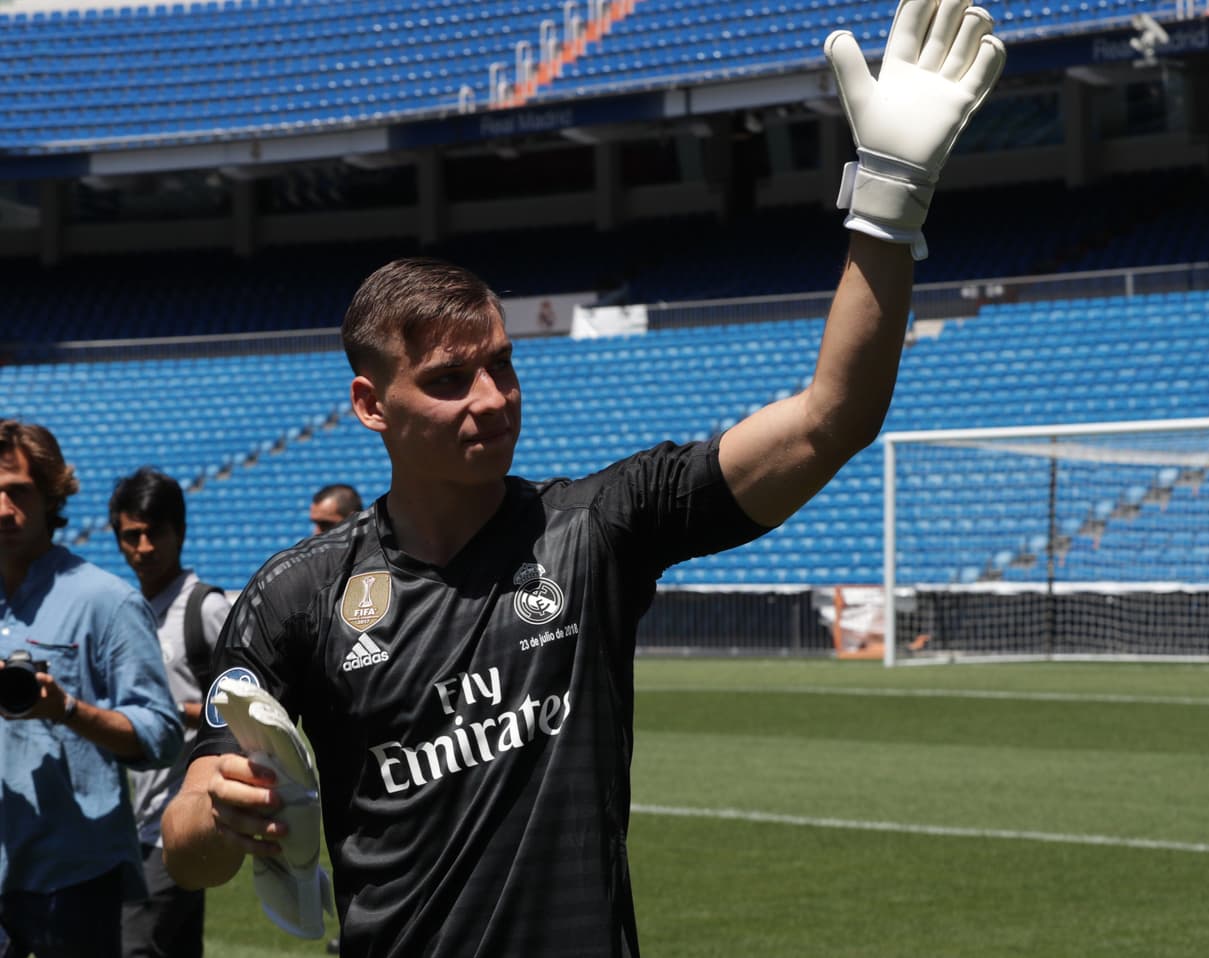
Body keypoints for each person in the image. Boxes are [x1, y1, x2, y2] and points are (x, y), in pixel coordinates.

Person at [161, 3, 1005, 955]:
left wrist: (889, 201)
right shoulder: (297, 595)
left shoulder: (597, 527)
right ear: (369, 403)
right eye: (447, 381)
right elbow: (189, 849)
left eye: (502, 366)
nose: (491, 400)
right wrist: (215, 808)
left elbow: (830, 420)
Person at [0, 421, 184, 958]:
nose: (3, 508)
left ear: (51, 493)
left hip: (71, 879)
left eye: (18, 490)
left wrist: (67, 710)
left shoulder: (106, 601)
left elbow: (162, 734)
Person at [109, 468, 233, 958]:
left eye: (153, 532)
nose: (142, 548)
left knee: (132, 946)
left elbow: (253, 704)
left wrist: (179, 713)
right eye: (130, 536)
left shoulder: (205, 609)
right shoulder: (128, 611)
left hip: (185, 816)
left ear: (178, 532)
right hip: (137, 820)